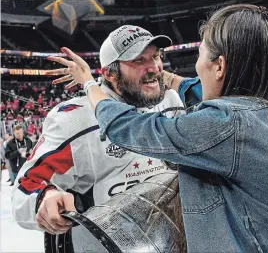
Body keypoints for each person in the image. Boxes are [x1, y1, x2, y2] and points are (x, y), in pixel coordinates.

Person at [49, 4, 268, 252]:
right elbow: (191, 86)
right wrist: (156, 74)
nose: (155, 66)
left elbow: (129, 127)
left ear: (219, 66)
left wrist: (88, 82)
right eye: (140, 60)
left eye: (200, 54)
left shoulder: (227, 122)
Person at [11, 25, 186, 244]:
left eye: (156, 57)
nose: (154, 67)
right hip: (109, 244)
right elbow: (26, 188)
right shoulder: (76, 120)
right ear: (110, 74)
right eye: (139, 60)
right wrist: (44, 199)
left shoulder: (171, 101)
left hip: (170, 239)